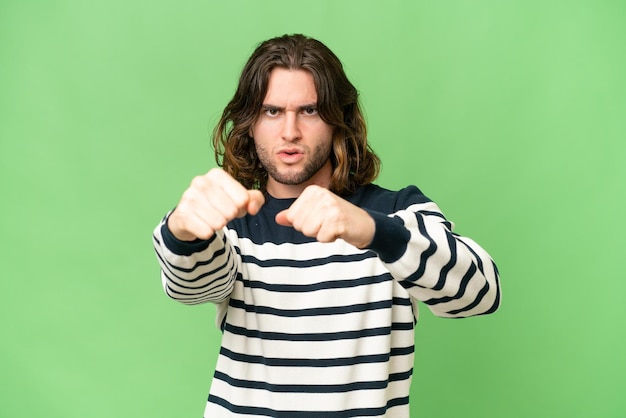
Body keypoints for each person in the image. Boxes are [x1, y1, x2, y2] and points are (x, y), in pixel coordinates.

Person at [152, 33, 501, 417]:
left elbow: (479, 293)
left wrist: (372, 229)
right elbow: (192, 287)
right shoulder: (234, 225)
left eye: (309, 111)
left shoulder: (397, 213)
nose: (290, 132)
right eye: (272, 112)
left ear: (339, 120)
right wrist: (182, 231)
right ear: (249, 124)